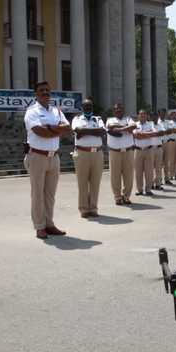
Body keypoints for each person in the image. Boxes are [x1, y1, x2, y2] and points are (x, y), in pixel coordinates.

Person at [23, 81, 70, 239]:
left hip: (53, 157)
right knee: (37, 194)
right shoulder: (32, 111)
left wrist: (49, 129)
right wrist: (56, 129)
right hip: (37, 156)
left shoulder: (56, 111)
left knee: (50, 194)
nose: (45, 92)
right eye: (41, 90)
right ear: (36, 94)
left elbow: (67, 129)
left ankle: (49, 224)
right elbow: (38, 131)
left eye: (47, 90)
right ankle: (39, 226)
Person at [71, 98, 105, 218]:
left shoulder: (98, 119)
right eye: (85, 106)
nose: (88, 108)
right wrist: (94, 131)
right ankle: (84, 209)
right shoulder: (76, 119)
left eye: (90, 106)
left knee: (95, 182)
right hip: (82, 153)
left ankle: (93, 208)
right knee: (82, 183)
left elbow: (102, 132)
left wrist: (84, 132)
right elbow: (77, 131)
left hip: (97, 154)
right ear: (82, 108)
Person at [106, 103, 136, 205]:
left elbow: (133, 126)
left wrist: (120, 129)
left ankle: (126, 196)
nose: (118, 111)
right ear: (113, 111)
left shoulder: (128, 119)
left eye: (120, 109)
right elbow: (110, 128)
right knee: (115, 176)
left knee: (129, 176)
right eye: (116, 110)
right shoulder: (110, 120)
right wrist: (126, 128)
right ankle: (117, 197)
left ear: (123, 110)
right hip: (115, 152)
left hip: (128, 151)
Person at [133, 109, 156, 195]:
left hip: (148, 150)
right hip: (138, 150)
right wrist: (147, 134)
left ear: (146, 116)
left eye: (144, 114)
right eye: (141, 114)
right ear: (138, 116)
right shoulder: (135, 124)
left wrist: (141, 134)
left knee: (149, 171)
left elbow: (153, 133)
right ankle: (139, 189)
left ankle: (148, 189)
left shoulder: (151, 124)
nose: (142, 116)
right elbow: (135, 135)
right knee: (138, 171)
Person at [157, 109, 174, 185]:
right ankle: (159, 179)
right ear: (159, 114)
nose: (162, 115)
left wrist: (163, 132)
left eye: (164, 113)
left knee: (166, 162)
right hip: (160, 144)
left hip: (167, 143)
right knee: (159, 163)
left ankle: (167, 178)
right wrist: (165, 132)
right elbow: (159, 133)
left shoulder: (168, 122)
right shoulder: (156, 122)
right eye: (161, 113)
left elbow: (170, 131)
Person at [152, 112, 166, 190]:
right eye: (153, 116)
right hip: (151, 148)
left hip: (159, 148)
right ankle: (150, 184)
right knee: (150, 168)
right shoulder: (149, 124)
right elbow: (158, 133)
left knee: (158, 167)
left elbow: (162, 132)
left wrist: (154, 133)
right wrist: (157, 133)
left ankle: (158, 184)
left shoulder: (160, 125)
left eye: (156, 116)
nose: (155, 118)